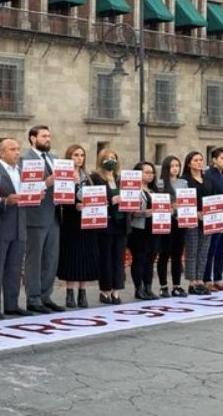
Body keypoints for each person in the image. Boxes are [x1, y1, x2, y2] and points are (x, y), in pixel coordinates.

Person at [0, 138, 31, 319]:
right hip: (0, 226)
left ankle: (12, 304)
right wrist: (5, 201)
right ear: (2, 152)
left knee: (15, 268)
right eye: (13, 149)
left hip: (20, 225)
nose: (17, 152)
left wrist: (35, 195)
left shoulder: (23, 171)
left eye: (18, 149)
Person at [21, 125, 64, 313]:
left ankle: (46, 296)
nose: (48, 139)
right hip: (35, 216)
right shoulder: (24, 160)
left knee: (51, 259)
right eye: (44, 136)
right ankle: (33, 298)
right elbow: (24, 187)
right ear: (32, 138)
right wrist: (45, 183)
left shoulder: (55, 159)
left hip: (54, 215)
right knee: (35, 259)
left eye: (49, 136)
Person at [56, 144, 98, 309]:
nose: (79, 158)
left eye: (81, 155)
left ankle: (82, 291)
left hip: (87, 222)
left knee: (85, 256)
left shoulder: (88, 176)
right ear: (69, 157)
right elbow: (60, 198)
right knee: (71, 256)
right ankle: (69, 292)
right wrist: (74, 205)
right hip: (71, 221)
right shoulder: (64, 175)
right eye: (75, 155)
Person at [90, 149, 129, 305]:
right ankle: (105, 290)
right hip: (106, 223)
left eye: (113, 157)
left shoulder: (120, 179)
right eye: (107, 158)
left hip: (121, 223)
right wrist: (111, 200)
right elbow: (93, 198)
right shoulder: (95, 178)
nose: (111, 160)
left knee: (119, 258)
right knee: (106, 258)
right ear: (101, 161)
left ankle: (116, 290)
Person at [182, 151, 213, 296]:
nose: (199, 162)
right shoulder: (184, 180)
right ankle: (192, 282)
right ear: (189, 163)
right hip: (191, 220)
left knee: (203, 251)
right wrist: (195, 212)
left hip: (207, 220)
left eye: (201, 160)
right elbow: (182, 201)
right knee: (192, 251)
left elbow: (212, 198)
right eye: (195, 160)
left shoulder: (207, 179)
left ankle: (200, 280)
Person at [202, 147, 223, 291]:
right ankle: (207, 280)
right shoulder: (208, 174)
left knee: (222, 248)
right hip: (213, 216)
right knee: (211, 249)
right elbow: (207, 195)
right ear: (214, 159)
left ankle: (218, 279)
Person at [127, 161, 159, 300]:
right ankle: (138, 288)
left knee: (151, 259)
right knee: (139, 258)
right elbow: (129, 210)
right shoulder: (133, 190)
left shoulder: (154, 190)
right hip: (139, 229)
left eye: (152, 172)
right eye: (147, 172)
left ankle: (148, 287)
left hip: (154, 228)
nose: (150, 175)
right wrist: (142, 212)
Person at [156, 155, 187, 298]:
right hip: (165, 221)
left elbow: (188, 200)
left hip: (180, 221)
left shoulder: (183, 182)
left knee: (177, 254)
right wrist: (169, 206)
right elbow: (157, 201)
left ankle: (177, 285)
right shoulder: (160, 183)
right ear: (166, 167)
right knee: (164, 254)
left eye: (177, 166)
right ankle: (163, 286)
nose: (175, 168)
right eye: (172, 166)